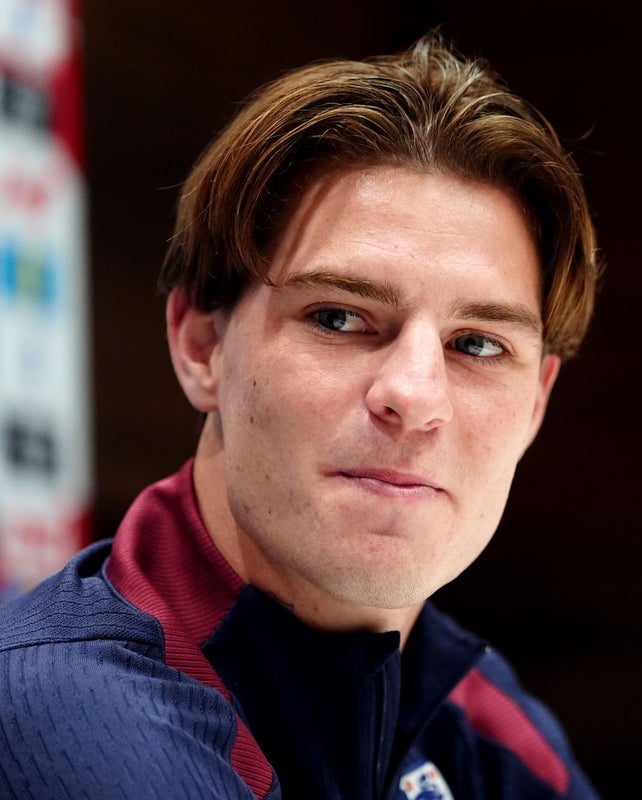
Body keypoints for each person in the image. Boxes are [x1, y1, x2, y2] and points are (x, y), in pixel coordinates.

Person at [0, 33, 602, 800]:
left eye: (478, 344)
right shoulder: (65, 719)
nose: (415, 396)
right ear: (201, 343)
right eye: (341, 318)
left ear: (537, 403)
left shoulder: (492, 729)